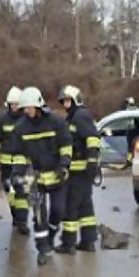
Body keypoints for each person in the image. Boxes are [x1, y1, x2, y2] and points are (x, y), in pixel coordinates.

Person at [9, 86, 73, 265]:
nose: (25, 111)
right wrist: (16, 173)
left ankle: (51, 234)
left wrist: (64, 166)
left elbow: (66, 146)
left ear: (37, 105)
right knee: (38, 215)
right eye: (24, 108)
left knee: (58, 211)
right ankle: (42, 248)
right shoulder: (21, 128)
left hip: (56, 175)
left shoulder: (56, 122)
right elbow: (19, 154)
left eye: (28, 107)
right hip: (34, 177)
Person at [55, 85, 101, 254]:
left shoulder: (80, 116)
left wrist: (92, 161)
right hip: (82, 171)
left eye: (67, 100)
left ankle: (68, 243)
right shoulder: (74, 116)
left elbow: (92, 138)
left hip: (78, 171)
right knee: (85, 206)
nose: (65, 104)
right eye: (63, 101)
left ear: (76, 100)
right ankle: (88, 241)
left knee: (70, 205)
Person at [0, 86, 29, 235]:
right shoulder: (1, 120)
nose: (14, 107)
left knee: (21, 191)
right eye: (12, 104)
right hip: (5, 163)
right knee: (9, 191)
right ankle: (16, 217)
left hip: (22, 161)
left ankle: (23, 222)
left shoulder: (27, 119)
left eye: (17, 104)